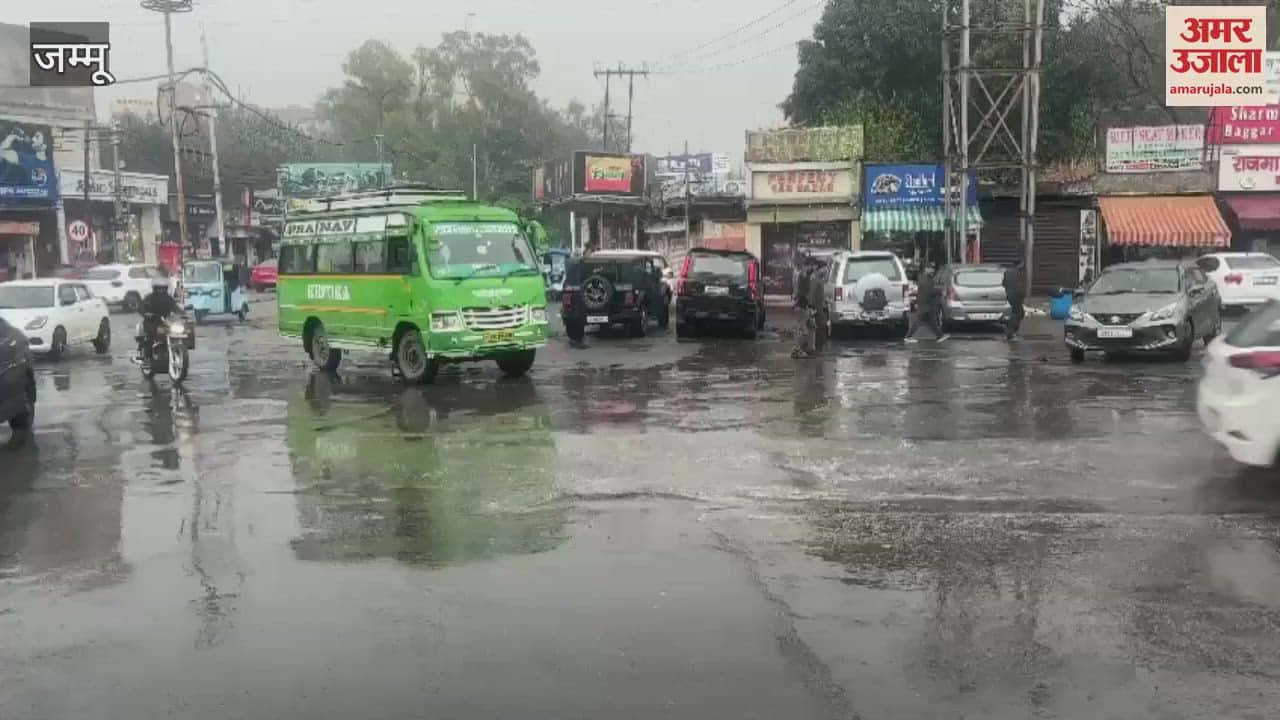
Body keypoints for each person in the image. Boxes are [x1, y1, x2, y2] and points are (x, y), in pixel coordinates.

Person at [139, 276, 181, 358]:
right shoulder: (149, 298)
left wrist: (183, 313)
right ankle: (148, 357)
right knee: (150, 337)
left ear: (166, 289)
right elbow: (141, 308)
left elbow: (175, 307)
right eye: (159, 289)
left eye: (162, 289)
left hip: (166, 321)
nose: (161, 291)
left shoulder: (168, 298)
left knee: (178, 332)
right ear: (155, 289)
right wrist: (146, 314)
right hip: (151, 321)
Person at [905, 265, 947, 343]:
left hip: (925, 303)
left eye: (933, 269)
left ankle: (940, 336)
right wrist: (940, 291)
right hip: (924, 303)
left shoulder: (924, 278)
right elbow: (930, 291)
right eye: (930, 269)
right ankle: (908, 337)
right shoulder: (925, 279)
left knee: (931, 321)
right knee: (918, 321)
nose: (932, 271)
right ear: (925, 270)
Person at [1003, 257, 1027, 341]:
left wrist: (1008, 291)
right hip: (1016, 295)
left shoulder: (1007, 271)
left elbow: (1004, 283)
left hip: (1010, 295)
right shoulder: (1017, 272)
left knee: (1019, 313)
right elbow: (1018, 286)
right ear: (1020, 264)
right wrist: (1022, 295)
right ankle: (1010, 334)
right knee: (1017, 313)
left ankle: (1012, 332)